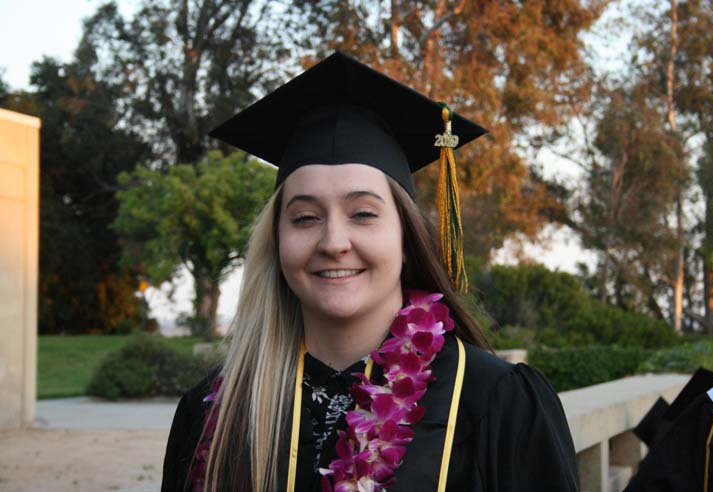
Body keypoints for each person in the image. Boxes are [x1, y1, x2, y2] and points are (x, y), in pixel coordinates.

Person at [161, 51, 580, 492]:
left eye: (363, 213)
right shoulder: (215, 414)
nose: (333, 241)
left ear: (405, 238)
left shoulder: (494, 402)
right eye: (305, 217)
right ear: (276, 240)